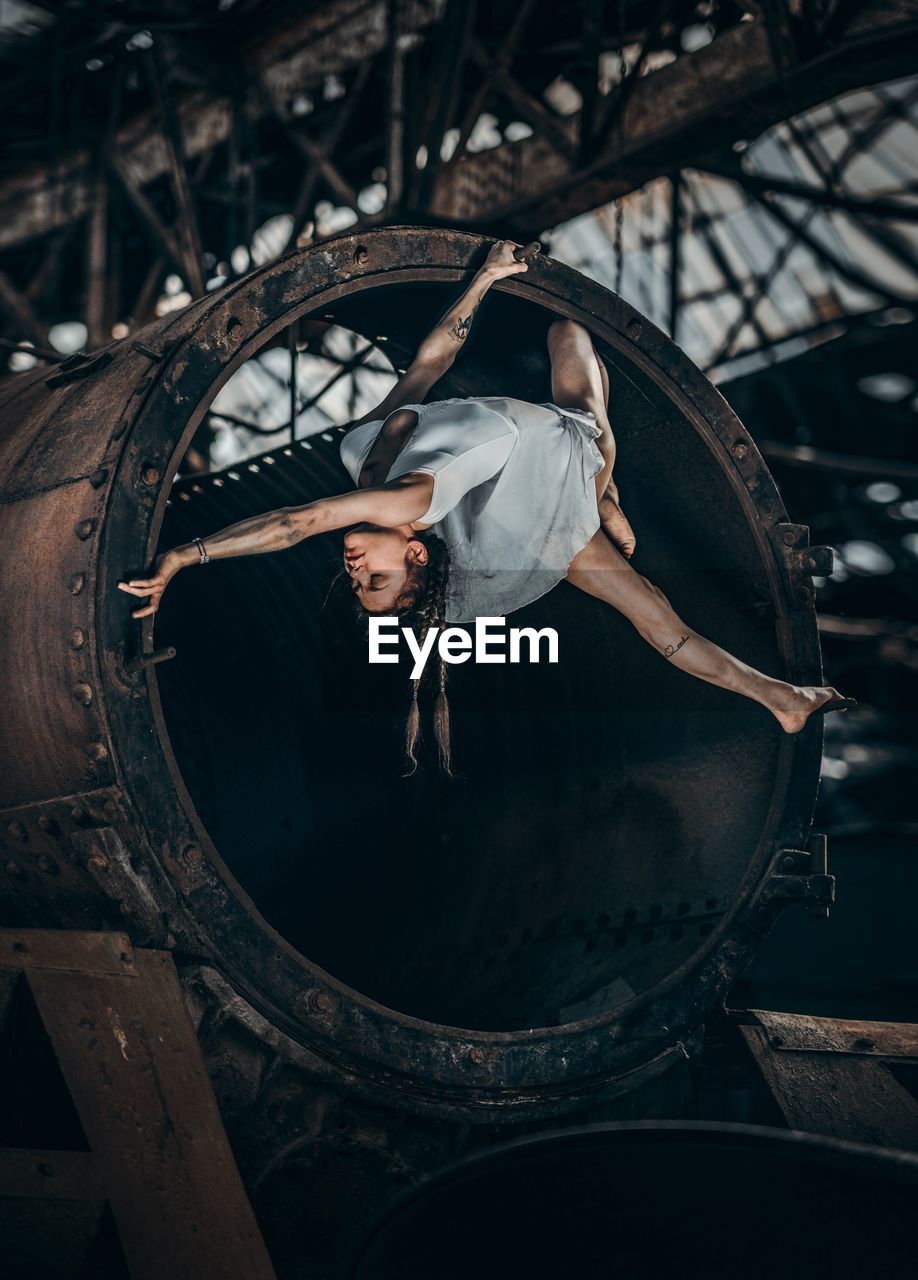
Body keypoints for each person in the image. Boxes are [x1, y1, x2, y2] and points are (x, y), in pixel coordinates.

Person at [118, 240, 855, 773]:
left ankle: (609, 502)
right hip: (552, 465)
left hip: (511, 474)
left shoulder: (361, 461)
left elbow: (428, 364)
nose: (352, 569)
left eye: (356, 584)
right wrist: (187, 555)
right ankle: (779, 697)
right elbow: (293, 524)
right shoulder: (404, 500)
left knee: (567, 336)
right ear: (412, 552)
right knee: (655, 612)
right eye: (375, 581)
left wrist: (485, 280)